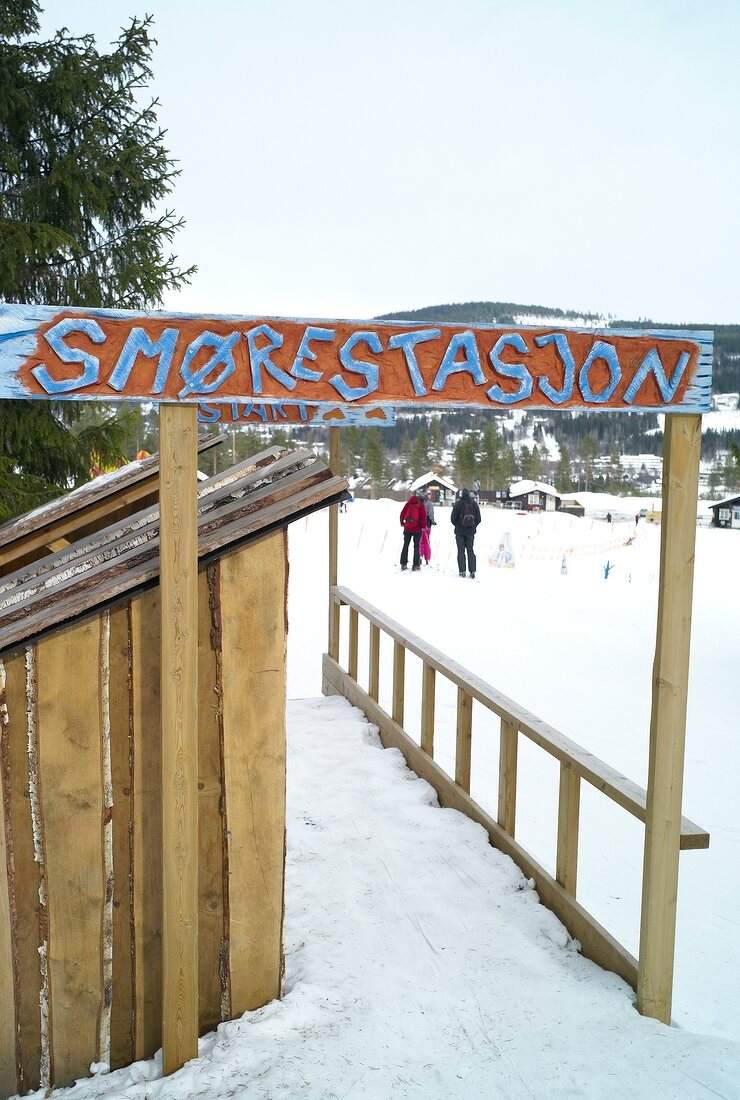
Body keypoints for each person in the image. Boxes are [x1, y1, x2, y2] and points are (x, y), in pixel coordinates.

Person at [450, 487, 481, 578]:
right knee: (470, 550)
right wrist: (473, 526)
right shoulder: (474, 504)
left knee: (461, 551)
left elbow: (452, 518)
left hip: (459, 531)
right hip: (470, 532)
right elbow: (479, 519)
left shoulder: (458, 504)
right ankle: (472, 571)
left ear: (461, 494)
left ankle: (462, 570)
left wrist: (457, 525)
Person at [399, 491, 428, 571]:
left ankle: (403, 563)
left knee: (405, 545)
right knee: (416, 546)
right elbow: (423, 517)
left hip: (407, 528)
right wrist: (423, 527)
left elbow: (402, 514)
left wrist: (402, 523)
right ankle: (416, 565)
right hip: (417, 529)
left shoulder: (408, 504)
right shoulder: (421, 505)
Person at [419, 488, 436, 565]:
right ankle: (427, 558)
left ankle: (420, 556)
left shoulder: (418, 502)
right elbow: (430, 514)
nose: (430, 495)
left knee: (420, 541)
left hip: (418, 525)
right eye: (428, 494)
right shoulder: (429, 503)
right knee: (426, 541)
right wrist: (432, 521)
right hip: (427, 525)